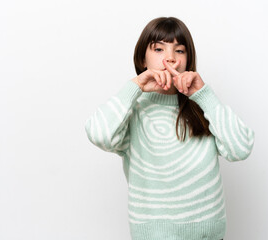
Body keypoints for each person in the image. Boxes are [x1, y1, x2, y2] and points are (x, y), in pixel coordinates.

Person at [84, 16, 255, 240]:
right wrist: (135, 86)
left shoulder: (203, 107)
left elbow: (240, 149)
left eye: (180, 50)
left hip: (209, 236)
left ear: (188, 59)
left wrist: (204, 95)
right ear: (142, 58)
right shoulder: (132, 111)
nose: (170, 59)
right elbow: (99, 134)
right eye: (158, 49)